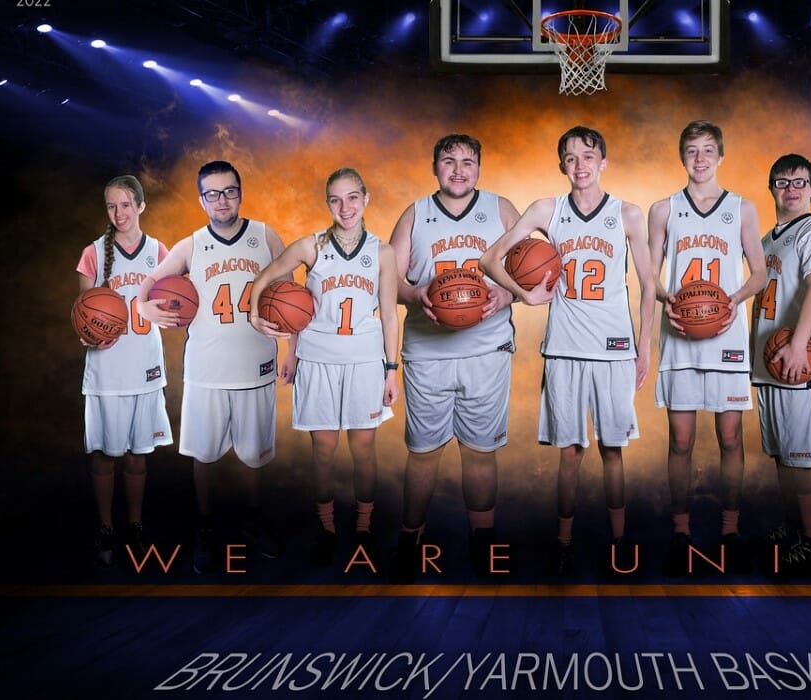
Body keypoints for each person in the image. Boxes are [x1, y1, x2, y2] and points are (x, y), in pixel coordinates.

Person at [480, 125, 655, 576]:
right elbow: (489, 260)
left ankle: (620, 541)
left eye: (588, 155)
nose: (580, 165)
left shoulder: (629, 214)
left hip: (615, 349)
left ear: (604, 162)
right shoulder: (546, 209)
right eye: (571, 158)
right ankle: (563, 542)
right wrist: (524, 294)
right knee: (571, 452)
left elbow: (649, 285)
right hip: (563, 348)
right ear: (562, 165)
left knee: (613, 450)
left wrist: (645, 346)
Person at [138, 160, 286, 574]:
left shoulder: (265, 236)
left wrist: (291, 347)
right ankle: (206, 527)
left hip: (256, 364)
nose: (222, 200)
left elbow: (294, 294)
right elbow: (146, 285)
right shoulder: (191, 245)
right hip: (205, 367)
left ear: (241, 192)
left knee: (255, 454)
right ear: (202, 199)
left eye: (230, 191)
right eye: (213, 193)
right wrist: (144, 305)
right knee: (202, 455)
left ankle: (253, 519)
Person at [249, 168, 400, 568]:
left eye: (352, 198)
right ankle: (327, 529)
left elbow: (389, 315)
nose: (344, 207)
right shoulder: (311, 246)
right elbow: (266, 278)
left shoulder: (382, 252)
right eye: (335, 199)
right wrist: (256, 317)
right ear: (327, 204)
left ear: (365, 199)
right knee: (325, 450)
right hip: (317, 360)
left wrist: (391, 369)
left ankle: (364, 528)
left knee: (364, 449)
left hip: (365, 361)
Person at [388, 134, 521, 582]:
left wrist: (505, 295)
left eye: (468, 162)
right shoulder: (415, 213)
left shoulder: (502, 210)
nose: (459, 170)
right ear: (435, 167)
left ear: (479, 168)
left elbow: (528, 275)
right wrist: (415, 292)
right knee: (423, 453)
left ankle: (482, 540)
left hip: (487, 349)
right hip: (427, 352)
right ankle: (411, 538)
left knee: (480, 452)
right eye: (449, 161)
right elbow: (389, 282)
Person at [647, 120, 766, 577]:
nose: (700, 158)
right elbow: (649, 273)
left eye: (708, 150)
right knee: (681, 439)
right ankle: (681, 532)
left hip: (727, 337)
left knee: (730, 437)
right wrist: (666, 300)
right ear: (683, 158)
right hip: (680, 334)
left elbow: (758, 272)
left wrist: (733, 301)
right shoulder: (663, 209)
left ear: (721, 156)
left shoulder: (742, 208)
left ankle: (729, 531)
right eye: (692, 151)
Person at [77, 175, 173, 566]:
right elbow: (82, 315)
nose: (119, 214)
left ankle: (134, 524)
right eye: (111, 206)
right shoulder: (93, 253)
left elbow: (174, 306)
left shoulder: (159, 252)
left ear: (141, 206)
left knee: (137, 456)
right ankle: (105, 526)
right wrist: (89, 335)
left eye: (126, 205)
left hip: (146, 369)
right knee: (104, 456)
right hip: (106, 371)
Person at [750, 154, 811, 573]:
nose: (791, 189)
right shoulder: (769, 240)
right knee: (784, 457)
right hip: (769, 365)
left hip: (798, 366)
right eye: (782, 182)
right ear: (771, 189)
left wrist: (800, 344)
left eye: (800, 182)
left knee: (803, 459)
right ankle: (793, 525)